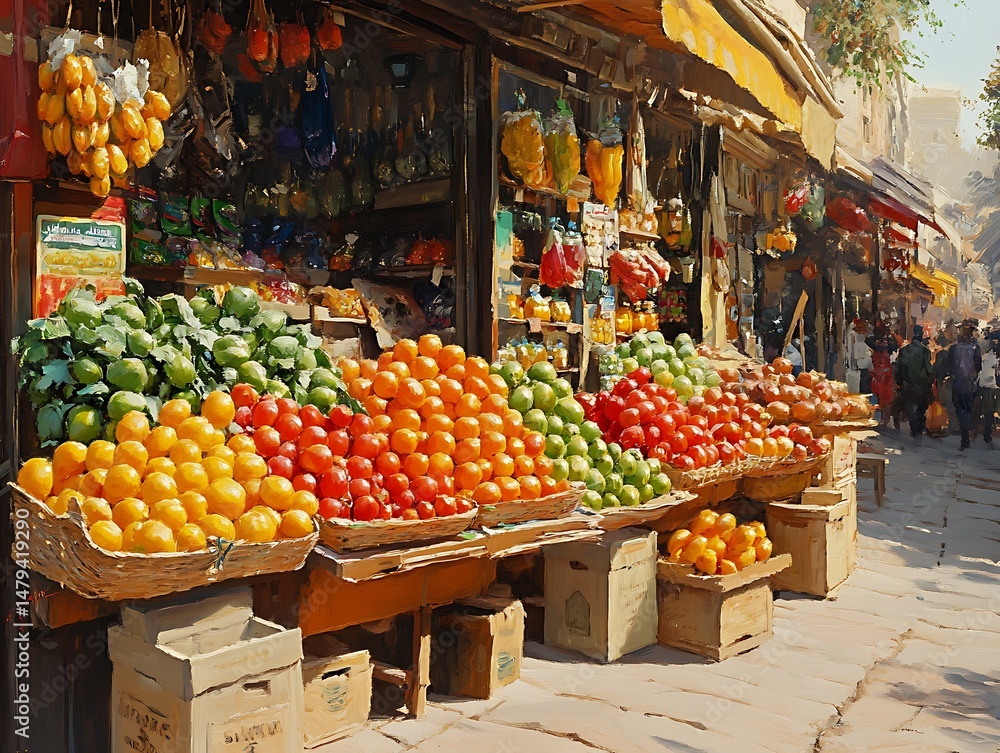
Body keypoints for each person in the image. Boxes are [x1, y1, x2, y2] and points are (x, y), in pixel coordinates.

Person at [948, 320, 983, 451]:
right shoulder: (975, 348)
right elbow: (979, 366)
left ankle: (965, 436)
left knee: (960, 408)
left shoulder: (954, 348)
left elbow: (949, 367)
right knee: (968, 409)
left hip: (957, 383)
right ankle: (966, 435)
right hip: (970, 383)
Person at [894, 325, 935, 438]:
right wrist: (931, 380)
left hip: (907, 383)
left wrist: (899, 381)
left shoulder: (904, 350)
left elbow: (899, 367)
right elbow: (929, 368)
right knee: (922, 405)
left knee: (908, 404)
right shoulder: (925, 350)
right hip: (921, 384)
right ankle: (919, 425)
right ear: (921, 335)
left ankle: (913, 426)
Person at [866, 320, 898, 426]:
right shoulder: (890, 341)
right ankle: (884, 417)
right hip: (884, 372)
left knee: (877, 394)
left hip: (879, 373)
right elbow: (895, 347)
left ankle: (878, 417)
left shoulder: (872, 341)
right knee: (885, 395)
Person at [980, 342, 999, 447]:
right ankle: (987, 434)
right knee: (989, 412)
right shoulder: (990, 358)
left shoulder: (988, 357)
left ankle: (987, 433)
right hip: (991, 387)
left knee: (988, 412)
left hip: (989, 388)